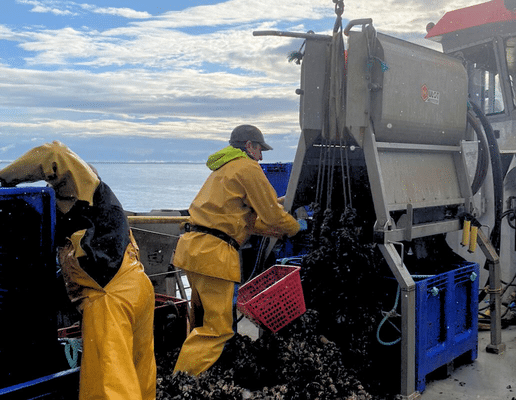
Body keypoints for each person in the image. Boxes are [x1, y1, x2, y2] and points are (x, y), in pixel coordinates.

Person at [0, 141, 156, 400]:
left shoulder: (90, 191)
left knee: (109, 386)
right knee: (139, 376)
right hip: (137, 289)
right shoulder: (100, 216)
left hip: (109, 301)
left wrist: (3, 178)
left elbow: (55, 153)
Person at [172, 124, 302, 375]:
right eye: (260, 149)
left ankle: (200, 375)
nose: (262, 156)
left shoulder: (223, 170)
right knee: (217, 331)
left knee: (200, 321)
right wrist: (296, 227)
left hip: (192, 250)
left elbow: (244, 219)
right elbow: (272, 213)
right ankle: (182, 381)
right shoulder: (246, 167)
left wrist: (275, 229)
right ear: (249, 146)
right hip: (215, 257)